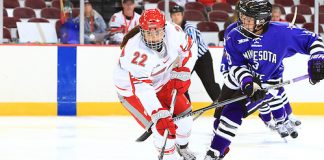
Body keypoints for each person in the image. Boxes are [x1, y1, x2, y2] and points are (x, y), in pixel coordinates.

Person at [205, 0, 324, 159]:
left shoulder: (283, 33)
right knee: (218, 119)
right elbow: (236, 66)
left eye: (248, 18)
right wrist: (247, 81)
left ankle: (214, 152)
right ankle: (220, 146)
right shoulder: (234, 33)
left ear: (261, 20)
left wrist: (317, 58)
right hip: (236, 80)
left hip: (267, 83)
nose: (242, 21)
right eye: (242, 16)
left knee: (232, 112)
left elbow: (314, 40)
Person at [113, 9, 197, 160]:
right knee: (162, 130)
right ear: (142, 31)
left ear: (164, 29)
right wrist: (157, 113)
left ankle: (183, 148)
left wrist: (185, 70)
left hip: (161, 80)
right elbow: (142, 87)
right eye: (148, 33)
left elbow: (190, 50)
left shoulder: (174, 32)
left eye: (157, 32)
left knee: (186, 118)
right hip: (132, 92)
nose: (153, 37)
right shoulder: (135, 51)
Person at [170, 5, 221, 103]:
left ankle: (222, 106)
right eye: (174, 15)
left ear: (182, 15)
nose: (176, 17)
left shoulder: (189, 28)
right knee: (181, 83)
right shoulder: (172, 29)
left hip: (202, 58)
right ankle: (185, 108)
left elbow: (192, 49)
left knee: (209, 83)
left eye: (178, 14)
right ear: (171, 16)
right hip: (188, 58)